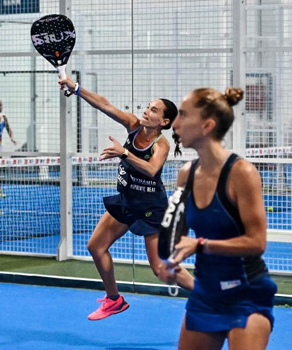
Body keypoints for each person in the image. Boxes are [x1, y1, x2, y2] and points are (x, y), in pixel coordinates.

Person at [58, 76, 195, 321]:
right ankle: (114, 300)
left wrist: (124, 153)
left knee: (159, 269)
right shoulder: (133, 126)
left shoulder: (160, 144)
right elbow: (105, 105)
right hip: (126, 201)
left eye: (153, 110)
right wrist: (76, 89)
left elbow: (152, 170)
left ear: (163, 121)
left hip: (151, 207)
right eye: (147, 106)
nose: (146, 111)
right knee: (96, 247)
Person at [158, 87, 277, 350]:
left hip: (247, 294)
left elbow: (257, 242)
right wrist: (172, 262)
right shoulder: (185, 175)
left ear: (207, 125)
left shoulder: (242, 173)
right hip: (206, 294)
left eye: (184, 115)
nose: (175, 123)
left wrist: (202, 245)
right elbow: (178, 235)